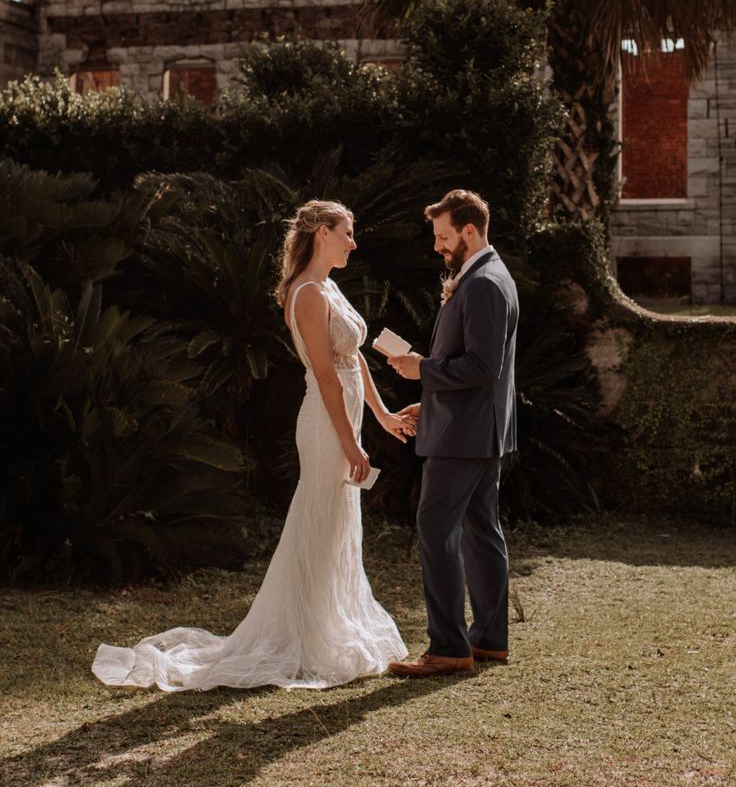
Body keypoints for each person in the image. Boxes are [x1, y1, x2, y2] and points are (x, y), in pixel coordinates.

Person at [92, 199, 410, 692]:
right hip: (326, 424)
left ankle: (327, 627)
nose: (354, 241)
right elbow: (325, 375)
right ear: (322, 232)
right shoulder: (306, 294)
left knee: (335, 524)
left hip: (345, 417)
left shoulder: (329, 286)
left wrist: (383, 415)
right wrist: (349, 443)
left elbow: (354, 363)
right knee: (317, 519)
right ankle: (305, 637)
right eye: (347, 232)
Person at [387, 189, 518, 678]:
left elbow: (482, 366)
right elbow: (483, 367)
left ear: (469, 230)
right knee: (483, 532)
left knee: (437, 528)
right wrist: (433, 395)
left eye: (444, 236)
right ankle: (489, 640)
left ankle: (448, 647)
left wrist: (422, 369)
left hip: (464, 436)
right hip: (477, 428)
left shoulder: (483, 283)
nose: (438, 246)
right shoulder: (489, 276)